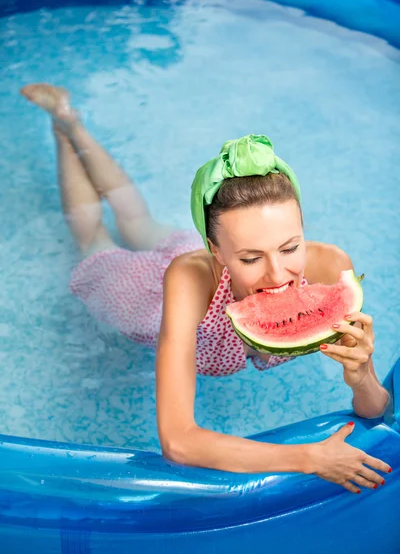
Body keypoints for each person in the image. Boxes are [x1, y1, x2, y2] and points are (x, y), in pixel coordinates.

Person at [21, 83, 391, 494]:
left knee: (138, 224)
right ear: (217, 250)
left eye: (290, 247)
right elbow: (178, 441)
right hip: (146, 295)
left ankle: (73, 121)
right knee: (94, 241)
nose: (278, 274)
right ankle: (62, 129)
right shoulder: (187, 279)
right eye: (251, 258)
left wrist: (360, 375)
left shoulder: (333, 267)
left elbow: (376, 409)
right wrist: (308, 457)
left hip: (204, 259)